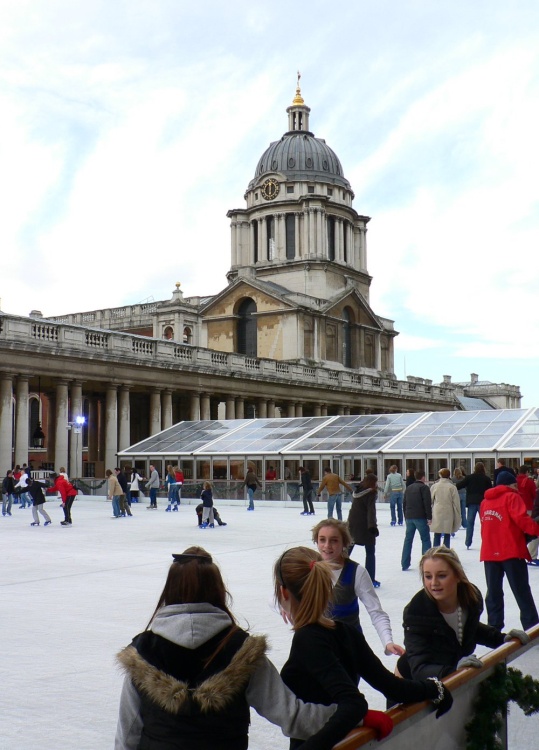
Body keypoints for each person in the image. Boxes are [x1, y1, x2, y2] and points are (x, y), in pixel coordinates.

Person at [115, 547, 340, 750]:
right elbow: (294, 717)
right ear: (218, 590)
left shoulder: (142, 654)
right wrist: (354, 717)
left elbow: (127, 738)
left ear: (170, 591)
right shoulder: (243, 652)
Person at [274, 546, 453, 749]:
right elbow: (392, 686)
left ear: (283, 592)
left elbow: (353, 704)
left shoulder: (308, 639)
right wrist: (434, 688)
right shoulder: (344, 631)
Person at [397, 546, 529, 680]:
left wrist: (502, 639)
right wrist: (454, 671)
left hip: (450, 679)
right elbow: (419, 668)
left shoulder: (470, 600)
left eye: (442, 575)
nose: (434, 583)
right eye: (428, 576)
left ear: (458, 576)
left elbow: (469, 628)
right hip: (412, 686)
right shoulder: (416, 613)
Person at [312, 518, 404, 655]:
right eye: (322, 540)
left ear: (344, 543)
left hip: (348, 647)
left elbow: (376, 612)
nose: (327, 546)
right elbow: (282, 596)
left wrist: (388, 642)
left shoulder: (356, 572)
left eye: (334, 540)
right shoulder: (309, 569)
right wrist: (285, 606)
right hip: (317, 646)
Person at [480, 470, 539, 632]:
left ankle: (494, 626)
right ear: (511, 484)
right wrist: (536, 529)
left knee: (493, 592)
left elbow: (484, 526)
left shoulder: (485, 502)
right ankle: (532, 627)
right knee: (521, 591)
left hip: (490, 552)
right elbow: (522, 520)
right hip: (511, 551)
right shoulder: (512, 497)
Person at [348, 474, 381, 588]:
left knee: (347, 551)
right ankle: (370, 579)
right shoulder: (371, 493)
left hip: (353, 524)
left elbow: (353, 509)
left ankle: (337, 572)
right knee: (370, 552)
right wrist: (372, 527)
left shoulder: (358, 491)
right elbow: (371, 511)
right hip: (365, 525)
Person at [456, 461, 492, 549]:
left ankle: (468, 542)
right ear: (483, 468)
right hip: (482, 502)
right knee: (484, 523)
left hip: (471, 502)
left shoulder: (469, 477)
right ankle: (486, 541)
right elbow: (490, 491)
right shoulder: (486, 478)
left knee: (470, 523)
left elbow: (459, 485)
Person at [401, 469, 432, 572]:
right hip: (420, 517)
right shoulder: (424, 488)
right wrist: (429, 517)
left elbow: (404, 503)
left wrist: (405, 515)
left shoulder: (409, 488)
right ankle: (427, 564)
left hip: (409, 517)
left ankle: (404, 563)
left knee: (408, 540)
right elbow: (427, 503)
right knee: (425, 539)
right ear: (423, 477)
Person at [430, 468, 461, 548]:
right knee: (447, 533)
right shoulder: (452, 487)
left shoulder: (435, 486)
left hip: (437, 510)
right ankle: (446, 552)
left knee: (437, 533)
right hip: (448, 511)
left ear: (440, 475)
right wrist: (457, 513)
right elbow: (456, 502)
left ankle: (435, 551)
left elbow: (430, 499)